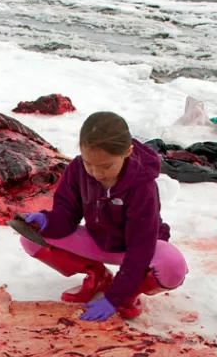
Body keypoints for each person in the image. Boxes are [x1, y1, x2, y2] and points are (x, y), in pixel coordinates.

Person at [19, 111, 188, 321]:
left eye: (106, 166)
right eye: (89, 164)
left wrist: (114, 298)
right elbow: (67, 214)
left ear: (127, 152)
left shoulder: (142, 187)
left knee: (173, 266)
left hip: (136, 249)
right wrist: (47, 221)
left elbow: (141, 247)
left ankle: (129, 292)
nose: (96, 173)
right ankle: (98, 276)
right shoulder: (77, 170)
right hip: (97, 240)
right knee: (30, 236)